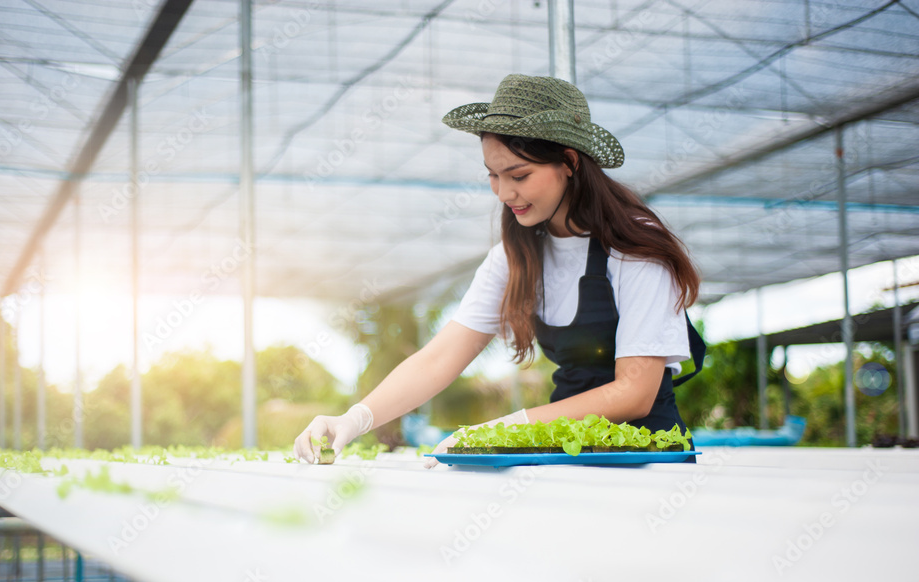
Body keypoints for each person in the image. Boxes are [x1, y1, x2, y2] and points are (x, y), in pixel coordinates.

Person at [293, 73, 705, 467]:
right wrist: (355, 419)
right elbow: (440, 358)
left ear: (569, 162)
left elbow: (634, 392)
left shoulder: (633, 246)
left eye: (519, 175)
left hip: (648, 459)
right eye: (493, 175)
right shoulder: (515, 256)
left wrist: (509, 429)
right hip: (568, 454)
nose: (505, 193)